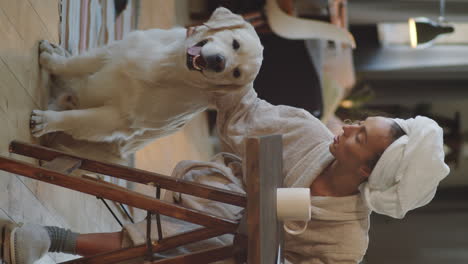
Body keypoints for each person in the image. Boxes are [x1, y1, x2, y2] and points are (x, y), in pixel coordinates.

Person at [1, 84, 449, 264]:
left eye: (358, 138)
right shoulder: (308, 132)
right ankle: (54, 240)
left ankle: (53, 240)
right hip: (209, 193)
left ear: (368, 169)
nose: (347, 127)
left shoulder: (348, 240)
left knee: (213, 236)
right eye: (358, 123)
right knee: (216, 217)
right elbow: (249, 112)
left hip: (220, 251)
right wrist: (229, 69)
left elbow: (274, 217)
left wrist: (257, 232)